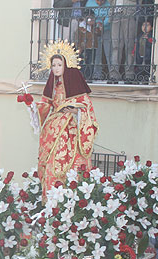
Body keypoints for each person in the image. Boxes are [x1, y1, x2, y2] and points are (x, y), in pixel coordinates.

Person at [32, 41, 98, 192]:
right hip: (52, 128)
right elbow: (45, 104)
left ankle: (69, 195)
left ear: (66, 65)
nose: (55, 68)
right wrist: (32, 107)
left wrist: (75, 111)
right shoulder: (52, 86)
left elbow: (87, 107)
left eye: (59, 65)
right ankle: (50, 198)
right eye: (53, 65)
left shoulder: (76, 84)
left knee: (71, 163)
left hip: (70, 130)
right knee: (50, 163)